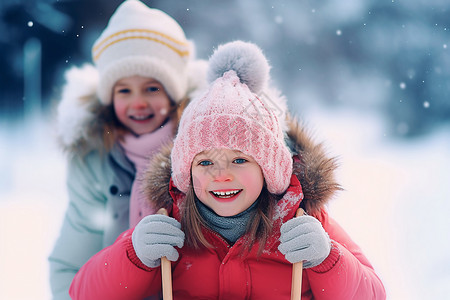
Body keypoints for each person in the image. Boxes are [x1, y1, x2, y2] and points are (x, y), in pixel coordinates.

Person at [69, 41, 386, 299]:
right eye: (205, 162)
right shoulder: (171, 223)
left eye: (239, 160)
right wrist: (134, 254)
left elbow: (373, 294)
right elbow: (83, 292)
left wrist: (327, 258)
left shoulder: (303, 220)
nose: (221, 175)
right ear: (187, 174)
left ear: (268, 169)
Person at [48, 0, 206, 299]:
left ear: (174, 94)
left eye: (152, 88)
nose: (138, 103)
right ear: (109, 96)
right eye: (124, 90)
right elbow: (70, 265)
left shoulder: (206, 154)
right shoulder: (95, 160)